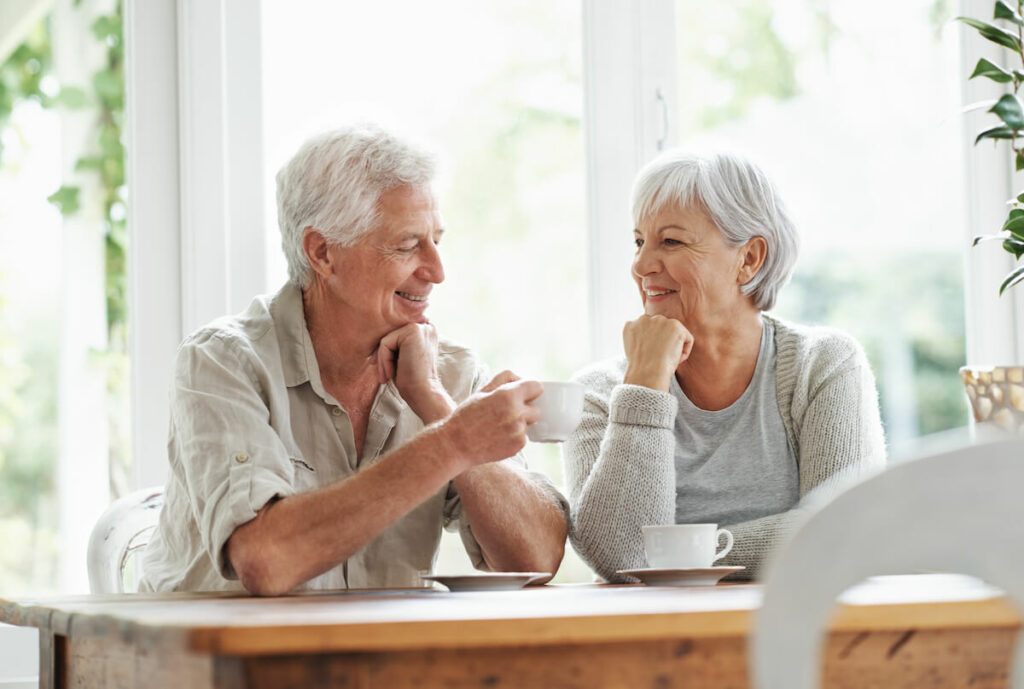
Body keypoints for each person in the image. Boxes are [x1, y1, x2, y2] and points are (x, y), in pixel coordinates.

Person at [141, 124, 569, 594]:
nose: (437, 272)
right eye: (407, 245)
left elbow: (537, 558)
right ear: (322, 253)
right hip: (226, 664)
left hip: (383, 665)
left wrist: (436, 406)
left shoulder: (447, 373)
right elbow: (266, 560)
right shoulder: (221, 362)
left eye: (436, 241)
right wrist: (453, 441)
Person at [563, 150, 886, 582]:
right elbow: (618, 556)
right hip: (648, 641)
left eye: (671, 241)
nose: (640, 266)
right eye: (639, 241)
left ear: (749, 259)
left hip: (795, 635)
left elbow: (846, 530)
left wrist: (680, 553)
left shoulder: (822, 365)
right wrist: (644, 388)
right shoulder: (600, 392)